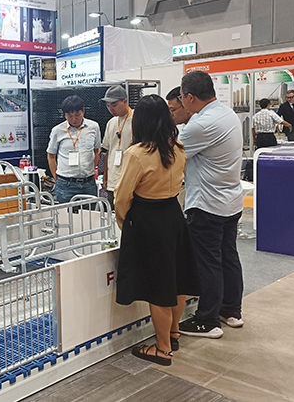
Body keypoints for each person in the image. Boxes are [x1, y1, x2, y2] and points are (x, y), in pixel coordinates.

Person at [114, 94, 199, 366]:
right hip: (173, 215)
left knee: (158, 287)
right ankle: (173, 333)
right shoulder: (178, 147)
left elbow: (122, 197)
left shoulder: (137, 154)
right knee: (177, 279)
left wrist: (124, 223)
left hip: (148, 220)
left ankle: (163, 349)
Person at [177, 70, 245, 339]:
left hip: (207, 204)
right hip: (230, 201)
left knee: (208, 263)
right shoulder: (227, 113)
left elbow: (172, 154)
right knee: (228, 257)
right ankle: (231, 311)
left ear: (190, 97)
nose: (180, 104)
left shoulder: (201, 125)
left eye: (181, 99)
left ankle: (207, 320)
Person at [46, 95, 102, 204]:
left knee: (90, 214)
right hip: (65, 184)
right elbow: (51, 155)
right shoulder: (58, 130)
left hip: (88, 183)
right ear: (64, 115)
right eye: (69, 116)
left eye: (77, 115)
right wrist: (57, 179)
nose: (74, 119)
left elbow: (97, 150)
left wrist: (91, 168)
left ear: (83, 111)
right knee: (65, 214)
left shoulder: (94, 127)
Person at [100, 85, 133, 207]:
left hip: (130, 180)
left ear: (125, 101)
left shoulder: (136, 119)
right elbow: (108, 151)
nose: (111, 109)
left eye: (114, 105)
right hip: (112, 182)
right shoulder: (111, 122)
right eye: (108, 105)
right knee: (112, 215)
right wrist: (105, 178)